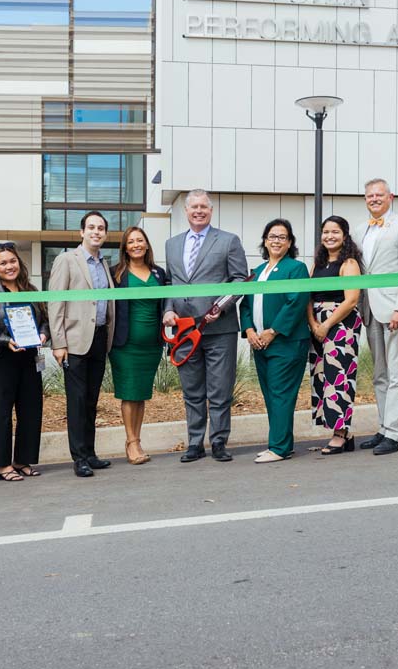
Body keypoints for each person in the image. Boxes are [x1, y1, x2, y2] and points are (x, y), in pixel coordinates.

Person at [163, 189, 249, 463]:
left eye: (204, 207)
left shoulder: (228, 241)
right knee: (192, 390)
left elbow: (240, 281)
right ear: (186, 211)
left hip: (219, 328)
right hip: (185, 330)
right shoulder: (172, 244)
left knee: (220, 389)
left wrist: (219, 307)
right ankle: (195, 442)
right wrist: (167, 310)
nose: (198, 211)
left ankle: (220, 441)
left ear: (211, 211)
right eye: (194, 207)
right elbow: (171, 284)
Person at [48, 211, 117, 478]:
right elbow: (56, 302)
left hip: (100, 338)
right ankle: (79, 458)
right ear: (81, 232)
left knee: (91, 401)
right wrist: (59, 342)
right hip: (74, 342)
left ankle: (90, 452)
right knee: (76, 401)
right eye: (91, 227)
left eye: (100, 228)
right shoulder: (67, 260)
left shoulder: (103, 264)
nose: (96, 232)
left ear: (105, 234)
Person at [0, 242, 47, 481]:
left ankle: (22, 460)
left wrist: (43, 333)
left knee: (31, 409)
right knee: (2, 410)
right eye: (3, 263)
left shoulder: (30, 289)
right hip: (3, 358)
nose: (9, 266)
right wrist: (6, 340)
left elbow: (43, 318)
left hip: (30, 357)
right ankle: (2, 465)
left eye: (12, 261)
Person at [357, 178, 398, 455]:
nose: (374, 199)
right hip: (369, 308)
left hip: (395, 309)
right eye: (370, 195)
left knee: (397, 373)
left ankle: (395, 433)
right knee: (380, 374)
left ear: (390, 197)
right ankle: (383, 427)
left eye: (379, 195)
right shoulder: (360, 230)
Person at [241, 219, 309, 463]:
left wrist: (273, 331)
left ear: (289, 242)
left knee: (281, 393)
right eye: (272, 236)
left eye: (282, 237)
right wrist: (249, 330)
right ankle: (282, 443)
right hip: (259, 342)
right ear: (265, 240)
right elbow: (245, 304)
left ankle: (278, 448)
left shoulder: (296, 268)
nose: (276, 240)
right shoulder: (257, 272)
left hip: (286, 342)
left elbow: (296, 302)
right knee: (270, 394)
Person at [110, 226, 169, 465]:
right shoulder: (115, 274)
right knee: (129, 393)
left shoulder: (158, 273)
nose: (135, 245)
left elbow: (166, 304)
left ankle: (137, 439)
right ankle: (131, 442)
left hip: (151, 344)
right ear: (125, 247)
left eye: (140, 240)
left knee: (141, 394)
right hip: (125, 344)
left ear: (146, 245)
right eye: (131, 241)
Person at [307, 216, 364, 455]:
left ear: (345, 235)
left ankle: (340, 433)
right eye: (326, 232)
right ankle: (340, 432)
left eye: (335, 232)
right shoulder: (317, 263)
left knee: (338, 377)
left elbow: (351, 300)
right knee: (321, 377)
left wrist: (327, 323)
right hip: (317, 323)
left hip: (341, 323)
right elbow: (307, 294)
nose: (330, 236)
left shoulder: (349, 263)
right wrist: (313, 323)